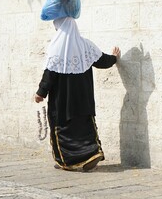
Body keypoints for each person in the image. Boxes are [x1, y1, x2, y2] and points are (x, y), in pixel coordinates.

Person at [34, 16, 121, 171]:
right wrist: (114, 58)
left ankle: (67, 161)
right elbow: (102, 61)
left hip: (62, 103)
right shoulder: (85, 46)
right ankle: (91, 154)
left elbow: (49, 75)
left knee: (63, 130)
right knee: (84, 127)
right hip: (83, 100)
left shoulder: (55, 49)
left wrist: (41, 93)